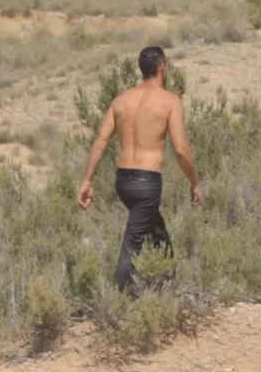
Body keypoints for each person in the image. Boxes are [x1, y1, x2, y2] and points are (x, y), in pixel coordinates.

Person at [77, 46, 203, 290]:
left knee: (157, 233)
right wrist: (195, 182)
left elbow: (100, 141)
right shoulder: (170, 101)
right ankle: (117, 303)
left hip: (123, 181)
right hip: (147, 184)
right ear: (163, 67)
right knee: (132, 245)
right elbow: (180, 149)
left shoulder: (120, 101)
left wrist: (87, 181)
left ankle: (165, 290)